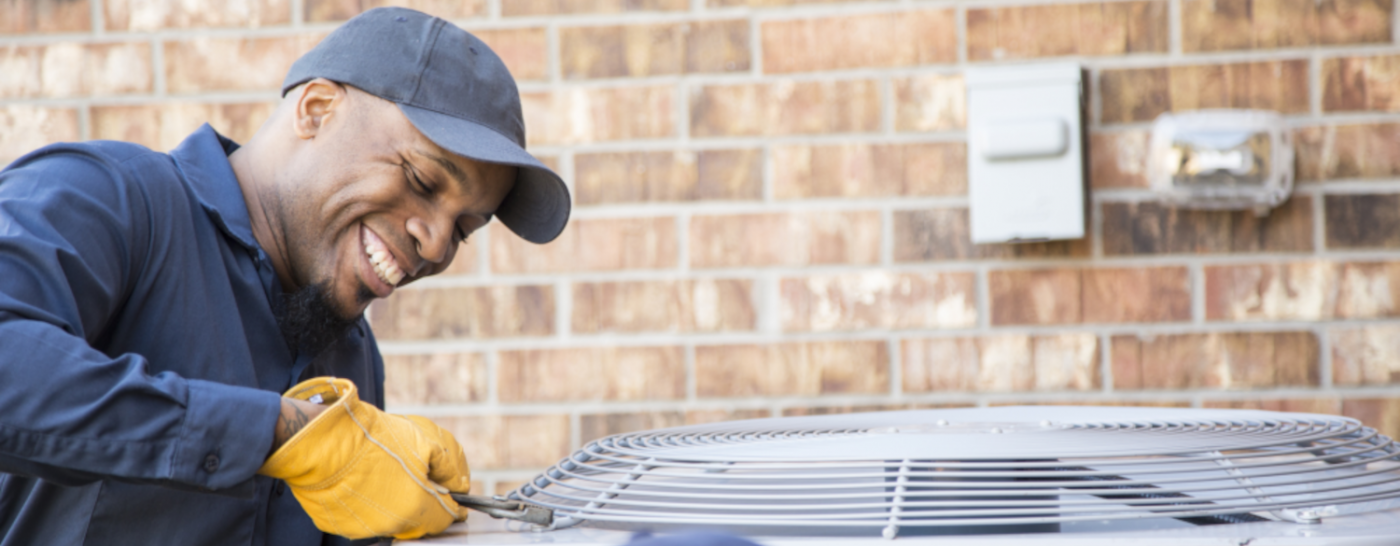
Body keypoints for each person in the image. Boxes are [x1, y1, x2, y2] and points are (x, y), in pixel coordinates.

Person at [0, 7, 569, 545]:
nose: (437, 243)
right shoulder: (109, 197)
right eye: (421, 181)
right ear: (316, 109)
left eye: (463, 229)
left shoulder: (352, 356)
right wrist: (279, 429)